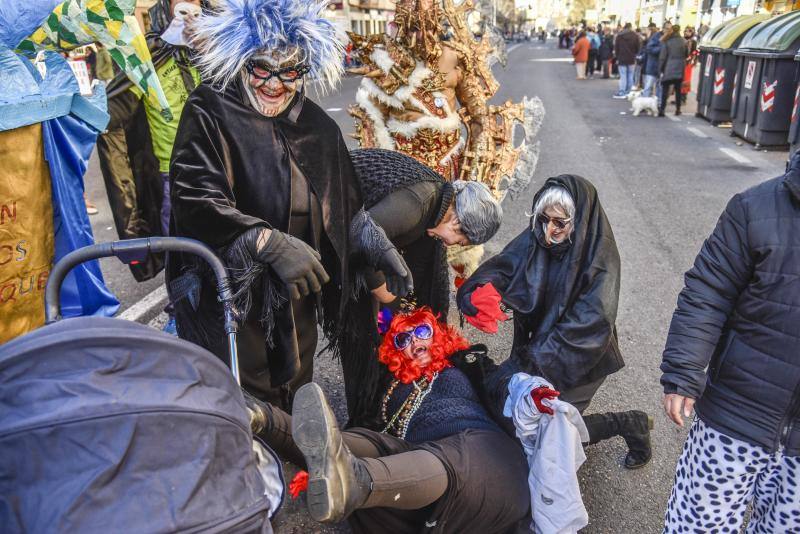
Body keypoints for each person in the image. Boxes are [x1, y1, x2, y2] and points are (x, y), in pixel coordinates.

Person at [166, 0, 410, 422]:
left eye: (290, 71)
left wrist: (373, 243)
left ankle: (295, 466)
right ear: (243, 62)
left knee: (296, 383)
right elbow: (195, 197)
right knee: (240, 397)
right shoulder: (209, 110)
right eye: (263, 68)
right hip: (232, 295)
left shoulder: (316, 124)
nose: (275, 84)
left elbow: (342, 203)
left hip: (298, 291)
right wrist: (265, 240)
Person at [247, 307, 531, 532]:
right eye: (402, 339)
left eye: (422, 330)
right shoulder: (390, 390)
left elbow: (499, 382)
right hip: (421, 468)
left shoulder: (464, 362)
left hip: (486, 458)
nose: (415, 340)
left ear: (439, 335)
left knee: (451, 456)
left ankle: (356, 481)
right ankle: (258, 417)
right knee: (362, 443)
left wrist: (531, 393)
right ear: (395, 353)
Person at [457, 175, 653, 469]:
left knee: (551, 433)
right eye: (544, 219)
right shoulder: (538, 235)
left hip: (580, 357)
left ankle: (628, 423)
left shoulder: (599, 258)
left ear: (579, 220)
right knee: (527, 422)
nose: (549, 231)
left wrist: (527, 366)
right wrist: (475, 294)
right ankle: (624, 423)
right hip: (536, 347)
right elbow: (504, 267)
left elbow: (590, 324)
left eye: (560, 223)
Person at [661, 152, 800, 532]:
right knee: (696, 526)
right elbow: (708, 292)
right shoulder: (754, 208)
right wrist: (683, 372)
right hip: (733, 417)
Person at [97, 0, 202, 283]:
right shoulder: (147, 54)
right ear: (165, 8)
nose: (190, 10)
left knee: (221, 242)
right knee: (178, 246)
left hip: (219, 165)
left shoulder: (214, 50)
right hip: (172, 172)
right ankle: (178, 308)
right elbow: (113, 115)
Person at [350, 148, 502, 315]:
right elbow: (362, 235)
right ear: (457, 222)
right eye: (460, 241)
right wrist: (388, 298)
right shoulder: (417, 204)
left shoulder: (438, 199)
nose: (450, 244)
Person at [658, 24, 687, 117]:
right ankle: (678, 109)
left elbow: (662, 57)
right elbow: (686, 54)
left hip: (668, 68)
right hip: (680, 68)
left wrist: (660, 69)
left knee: (665, 90)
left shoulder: (667, 41)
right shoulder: (684, 41)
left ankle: (662, 109)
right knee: (678, 90)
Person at [613, 23, 641, 98]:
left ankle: (622, 91)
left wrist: (617, 57)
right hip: (631, 58)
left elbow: (616, 48)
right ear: (631, 27)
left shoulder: (619, 36)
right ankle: (628, 91)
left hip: (621, 58)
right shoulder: (635, 36)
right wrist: (635, 54)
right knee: (630, 75)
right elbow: (638, 47)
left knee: (623, 76)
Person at [641, 22, 662, 98]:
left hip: (661, 66)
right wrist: (661, 49)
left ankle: (658, 104)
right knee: (648, 86)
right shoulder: (656, 36)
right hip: (652, 65)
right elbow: (649, 49)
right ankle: (644, 103)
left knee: (659, 87)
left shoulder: (668, 37)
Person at [681, 26, 699, 104]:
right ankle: (679, 97)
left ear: (692, 33)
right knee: (680, 80)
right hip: (680, 63)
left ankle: (683, 99)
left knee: (686, 80)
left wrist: (691, 59)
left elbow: (695, 52)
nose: (685, 32)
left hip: (687, 64)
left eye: (688, 31)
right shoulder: (682, 40)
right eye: (685, 31)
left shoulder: (693, 42)